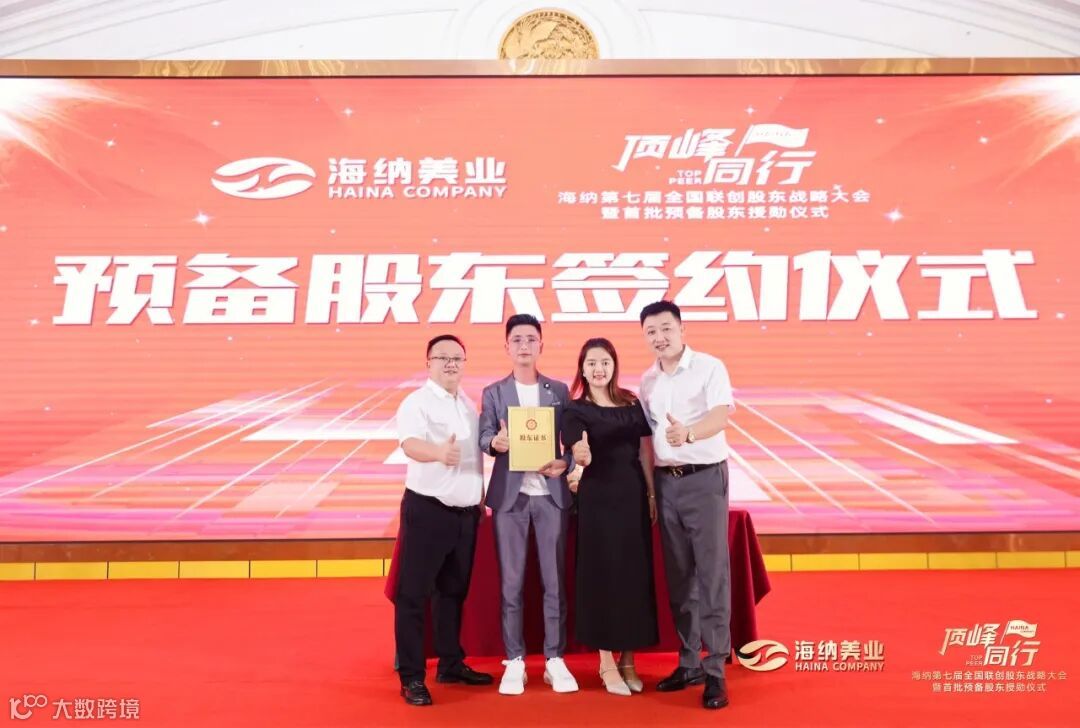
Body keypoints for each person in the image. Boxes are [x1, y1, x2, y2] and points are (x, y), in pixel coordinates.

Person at [638, 300, 735, 710]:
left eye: (666, 328)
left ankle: (715, 672)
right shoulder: (647, 382)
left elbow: (721, 416)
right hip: (666, 483)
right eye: (651, 332)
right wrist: (651, 491)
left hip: (704, 479)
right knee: (680, 579)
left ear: (682, 329)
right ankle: (689, 661)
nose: (659, 338)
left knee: (712, 577)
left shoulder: (709, 367)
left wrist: (690, 434)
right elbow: (648, 442)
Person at [478, 314, 578, 695]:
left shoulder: (559, 391)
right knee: (511, 582)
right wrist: (495, 443)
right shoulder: (494, 393)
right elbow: (484, 435)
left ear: (541, 345)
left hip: (551, 496)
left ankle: (555, 659)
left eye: (531, 339)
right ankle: (515, 660)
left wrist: (565, 463)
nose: (524, 345)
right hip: (511, 498)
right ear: (507, 346)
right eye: (517, 339)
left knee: (555, 582)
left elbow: (572, 444)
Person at [392, 334, 493, 706]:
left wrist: (479, 501)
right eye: (443, 357)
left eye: (457, 358)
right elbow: (409, 444)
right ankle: (411, 678)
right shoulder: (416, 402)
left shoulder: (466, 403)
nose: (451, 364)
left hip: (465, 515)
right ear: (428, 363)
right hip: (428, 510)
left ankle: (450, 663)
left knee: (453, 592)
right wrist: (436, 452)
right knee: (413, 595)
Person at [562, 338, 659, 696]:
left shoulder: (631, 403)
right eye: (591, 363)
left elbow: (645, 451)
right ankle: (605, 661)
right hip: (598, 502)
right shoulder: (575, 409)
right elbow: (576, 444)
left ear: (614, 365)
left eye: (605, 362)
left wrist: (651, 493)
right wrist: (581, 454)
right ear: (582, 369)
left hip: (632, 497)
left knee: (633, 576)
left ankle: (628, 659)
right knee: (601, 575)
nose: (598, 369)